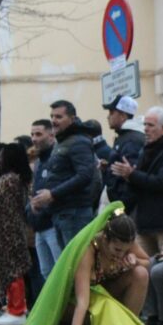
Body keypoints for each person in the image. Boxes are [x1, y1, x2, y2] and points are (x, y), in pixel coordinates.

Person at [2, 203, 163, 325]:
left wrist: (133, 259)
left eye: (126, 250)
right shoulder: (88, 249)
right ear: (105, 238)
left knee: (140, 274)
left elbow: (146, 261)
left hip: (102, 297)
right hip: (73, 305)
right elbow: (82, 300)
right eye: (117, 250)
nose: (121, 254)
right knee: (103, 303)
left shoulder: (124, 241)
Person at [112, 107, 163, 258]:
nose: (146, 129)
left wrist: (132, 174)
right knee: (141, 267)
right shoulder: (145, 149)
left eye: (151, 125)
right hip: (144, 223)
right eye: (145, 125)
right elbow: (139, 183)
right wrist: (128, 177)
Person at [32, 100, 96, 248]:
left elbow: (84, 176)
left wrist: (52, 194)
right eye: (52, 117)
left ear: (72, 119)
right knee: (67, 267)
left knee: (76, 264)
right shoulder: (62, 142)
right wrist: (42, 202)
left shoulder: (79, 141)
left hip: (74, 214)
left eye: (59, 117)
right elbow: (57, 177)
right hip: (61, 213)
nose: (54, 121)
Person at [0, 143, 34, 325]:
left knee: (13, 269)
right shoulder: (10, 179)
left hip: (8, 230)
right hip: (4, 229)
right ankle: (11, 306)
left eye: (2, 157)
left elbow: (3, 207)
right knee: (7, 268)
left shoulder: (10, 180)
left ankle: (17, 308)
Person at [95, 95, 146, 210]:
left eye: (111, 112)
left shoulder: (131, 139)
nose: (108, 117)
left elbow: (130, 177)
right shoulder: (125, 136)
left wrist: (121, 208)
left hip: (124, 207)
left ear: (122, 115)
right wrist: (108, 166)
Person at [27, 119, 62, 280]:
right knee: (46, 272)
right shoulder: (40, 161)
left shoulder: (56, 157)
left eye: (38, 134)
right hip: (39, 227)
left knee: (60, 271)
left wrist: (42, 208)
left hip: (52, 224)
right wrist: (31, 209)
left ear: (51, 135)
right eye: (32, 134)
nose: (34, 138)